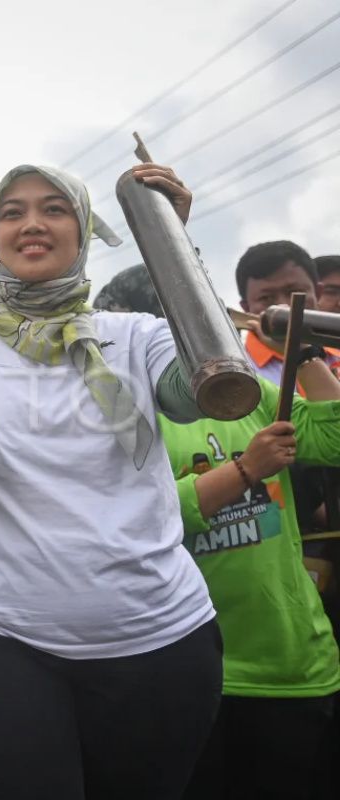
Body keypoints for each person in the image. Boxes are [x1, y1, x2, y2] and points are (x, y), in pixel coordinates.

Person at [0, 161, 223, 798]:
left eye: (54, 208)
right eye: (12, 212)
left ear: (85, 230)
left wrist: (174, 249)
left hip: (159, 639)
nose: (31, 223)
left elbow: (202, 395)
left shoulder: (138, 335)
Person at [96, 263, 340, 798]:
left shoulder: (246, 394)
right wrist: (245, 471)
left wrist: (305, 354)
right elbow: (139, 516)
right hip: (181, 665)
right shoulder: (122, 414)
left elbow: (335, 438)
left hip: (289, 663)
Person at [236, 241, 340, 383]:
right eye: (266, 298)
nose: (284, 307)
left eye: (295, 292)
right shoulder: (235, 371)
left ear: (317, 292)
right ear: (246, 308)